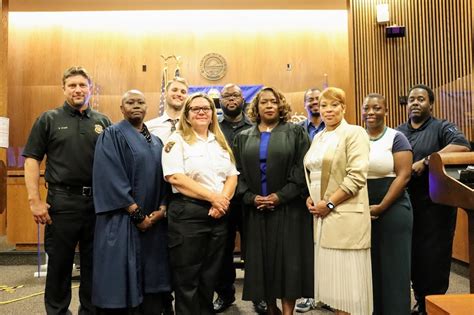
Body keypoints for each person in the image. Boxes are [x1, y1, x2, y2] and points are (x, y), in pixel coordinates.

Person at [23, 66, 112, 315]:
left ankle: (90, 311)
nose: (77, 90)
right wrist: (34, 201)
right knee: (60, 265)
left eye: (82, 85)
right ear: (63, 89)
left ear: (90, 88)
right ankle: (57, 312)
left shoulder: (103, 122)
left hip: (97, 203)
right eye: (72, 85)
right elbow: (31, 159)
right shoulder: (48, 119)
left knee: (94, 264)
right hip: (61, 203)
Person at [234, 87, 313, 315]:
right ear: (256, 107)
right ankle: (270, 308)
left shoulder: (296, 133)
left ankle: (287, 311)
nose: (269, 105)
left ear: (281, 106)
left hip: (289, 208)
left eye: (273, 101)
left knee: (289, 262)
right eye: (264, 102)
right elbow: (235, 173)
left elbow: (302, 170)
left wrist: (280, 197)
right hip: (256, 209)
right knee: (263, 262)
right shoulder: (242, 137)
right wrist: (251, 197)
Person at [91, 90, 171, 315]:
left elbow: (166, 177)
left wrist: (162, 209)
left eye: (140, 102)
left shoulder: (156, 141)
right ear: (121, 108)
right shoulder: (111, 135)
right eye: (130, 102)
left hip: (153, 223)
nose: (136, 105)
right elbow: (110, 177)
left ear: (147, 107)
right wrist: (137, 215)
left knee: (151, 283)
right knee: (120, 282)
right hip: (122, 221)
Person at [396, 84, 471, 314]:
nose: (415, 103)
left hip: (435, 209)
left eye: (421, 99)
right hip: (406, 206)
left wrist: (427, 160)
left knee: (433, 260)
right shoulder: (399, 132)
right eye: (411, 99)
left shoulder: (442, 127)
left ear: (431, 104)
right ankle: (421, 302)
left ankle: (433, 306)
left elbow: (461, 146)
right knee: (413, 259)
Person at [162, 93, 239, 315]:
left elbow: (232, 175)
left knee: (209, 278)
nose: (202, 112)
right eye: (195, 109)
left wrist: (221, 201)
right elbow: (175, 177)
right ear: (186, 115)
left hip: (218, 215)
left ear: (213, 113)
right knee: (187, 281)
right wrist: (213, 198)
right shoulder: (176, 141)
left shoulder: (219, 141)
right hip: (188, 214)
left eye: (206, 108)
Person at [304, 87, 372, 315]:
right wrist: (311, 198)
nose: (328, 110)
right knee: (333, 286)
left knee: (347, 288)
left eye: (334, 105)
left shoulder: (355, 133)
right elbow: (315, 174)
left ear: (343, 107)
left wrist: (329, 204)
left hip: (345, 217)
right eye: (324, 105)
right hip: (322, 218)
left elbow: (356, 177)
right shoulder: (319, 136)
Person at [362, 93, 413, 315]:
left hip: (393, 206)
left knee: (394, 267)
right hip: (361, 207)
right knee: (367, 267)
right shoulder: (356, 137)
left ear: (386, 111)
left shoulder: (397, 137)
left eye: (376, 108)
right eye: (367, 108)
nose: (371, 112)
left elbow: (404, 176)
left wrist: (382, 206)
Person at [212, 84, 258, 313]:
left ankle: (258, 294)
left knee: (254, 248)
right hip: (222, 198)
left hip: (250, 198)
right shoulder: (213, 129)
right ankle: (224, 294)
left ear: (243, 99)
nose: (231, 99)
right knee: (222, 249)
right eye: (226, 95)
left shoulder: (255, 126)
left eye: (235, 95)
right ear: (220, 101)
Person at [295, 87, 325, 313]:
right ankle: (308, 293)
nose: (315, 103)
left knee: (327, 246)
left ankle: (328, 293)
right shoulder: (296, 131)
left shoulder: (336, 130)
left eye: (319, 99)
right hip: (302, 197)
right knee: (305, 247)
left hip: (331, 196)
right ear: (304, 104)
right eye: (310, 100)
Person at [146, 77, 189, 142]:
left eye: (183, 92)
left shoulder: (192, 127)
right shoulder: (149, 127)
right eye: (174, 90)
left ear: (186, 97)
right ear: (165, 94)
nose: (179, 94)